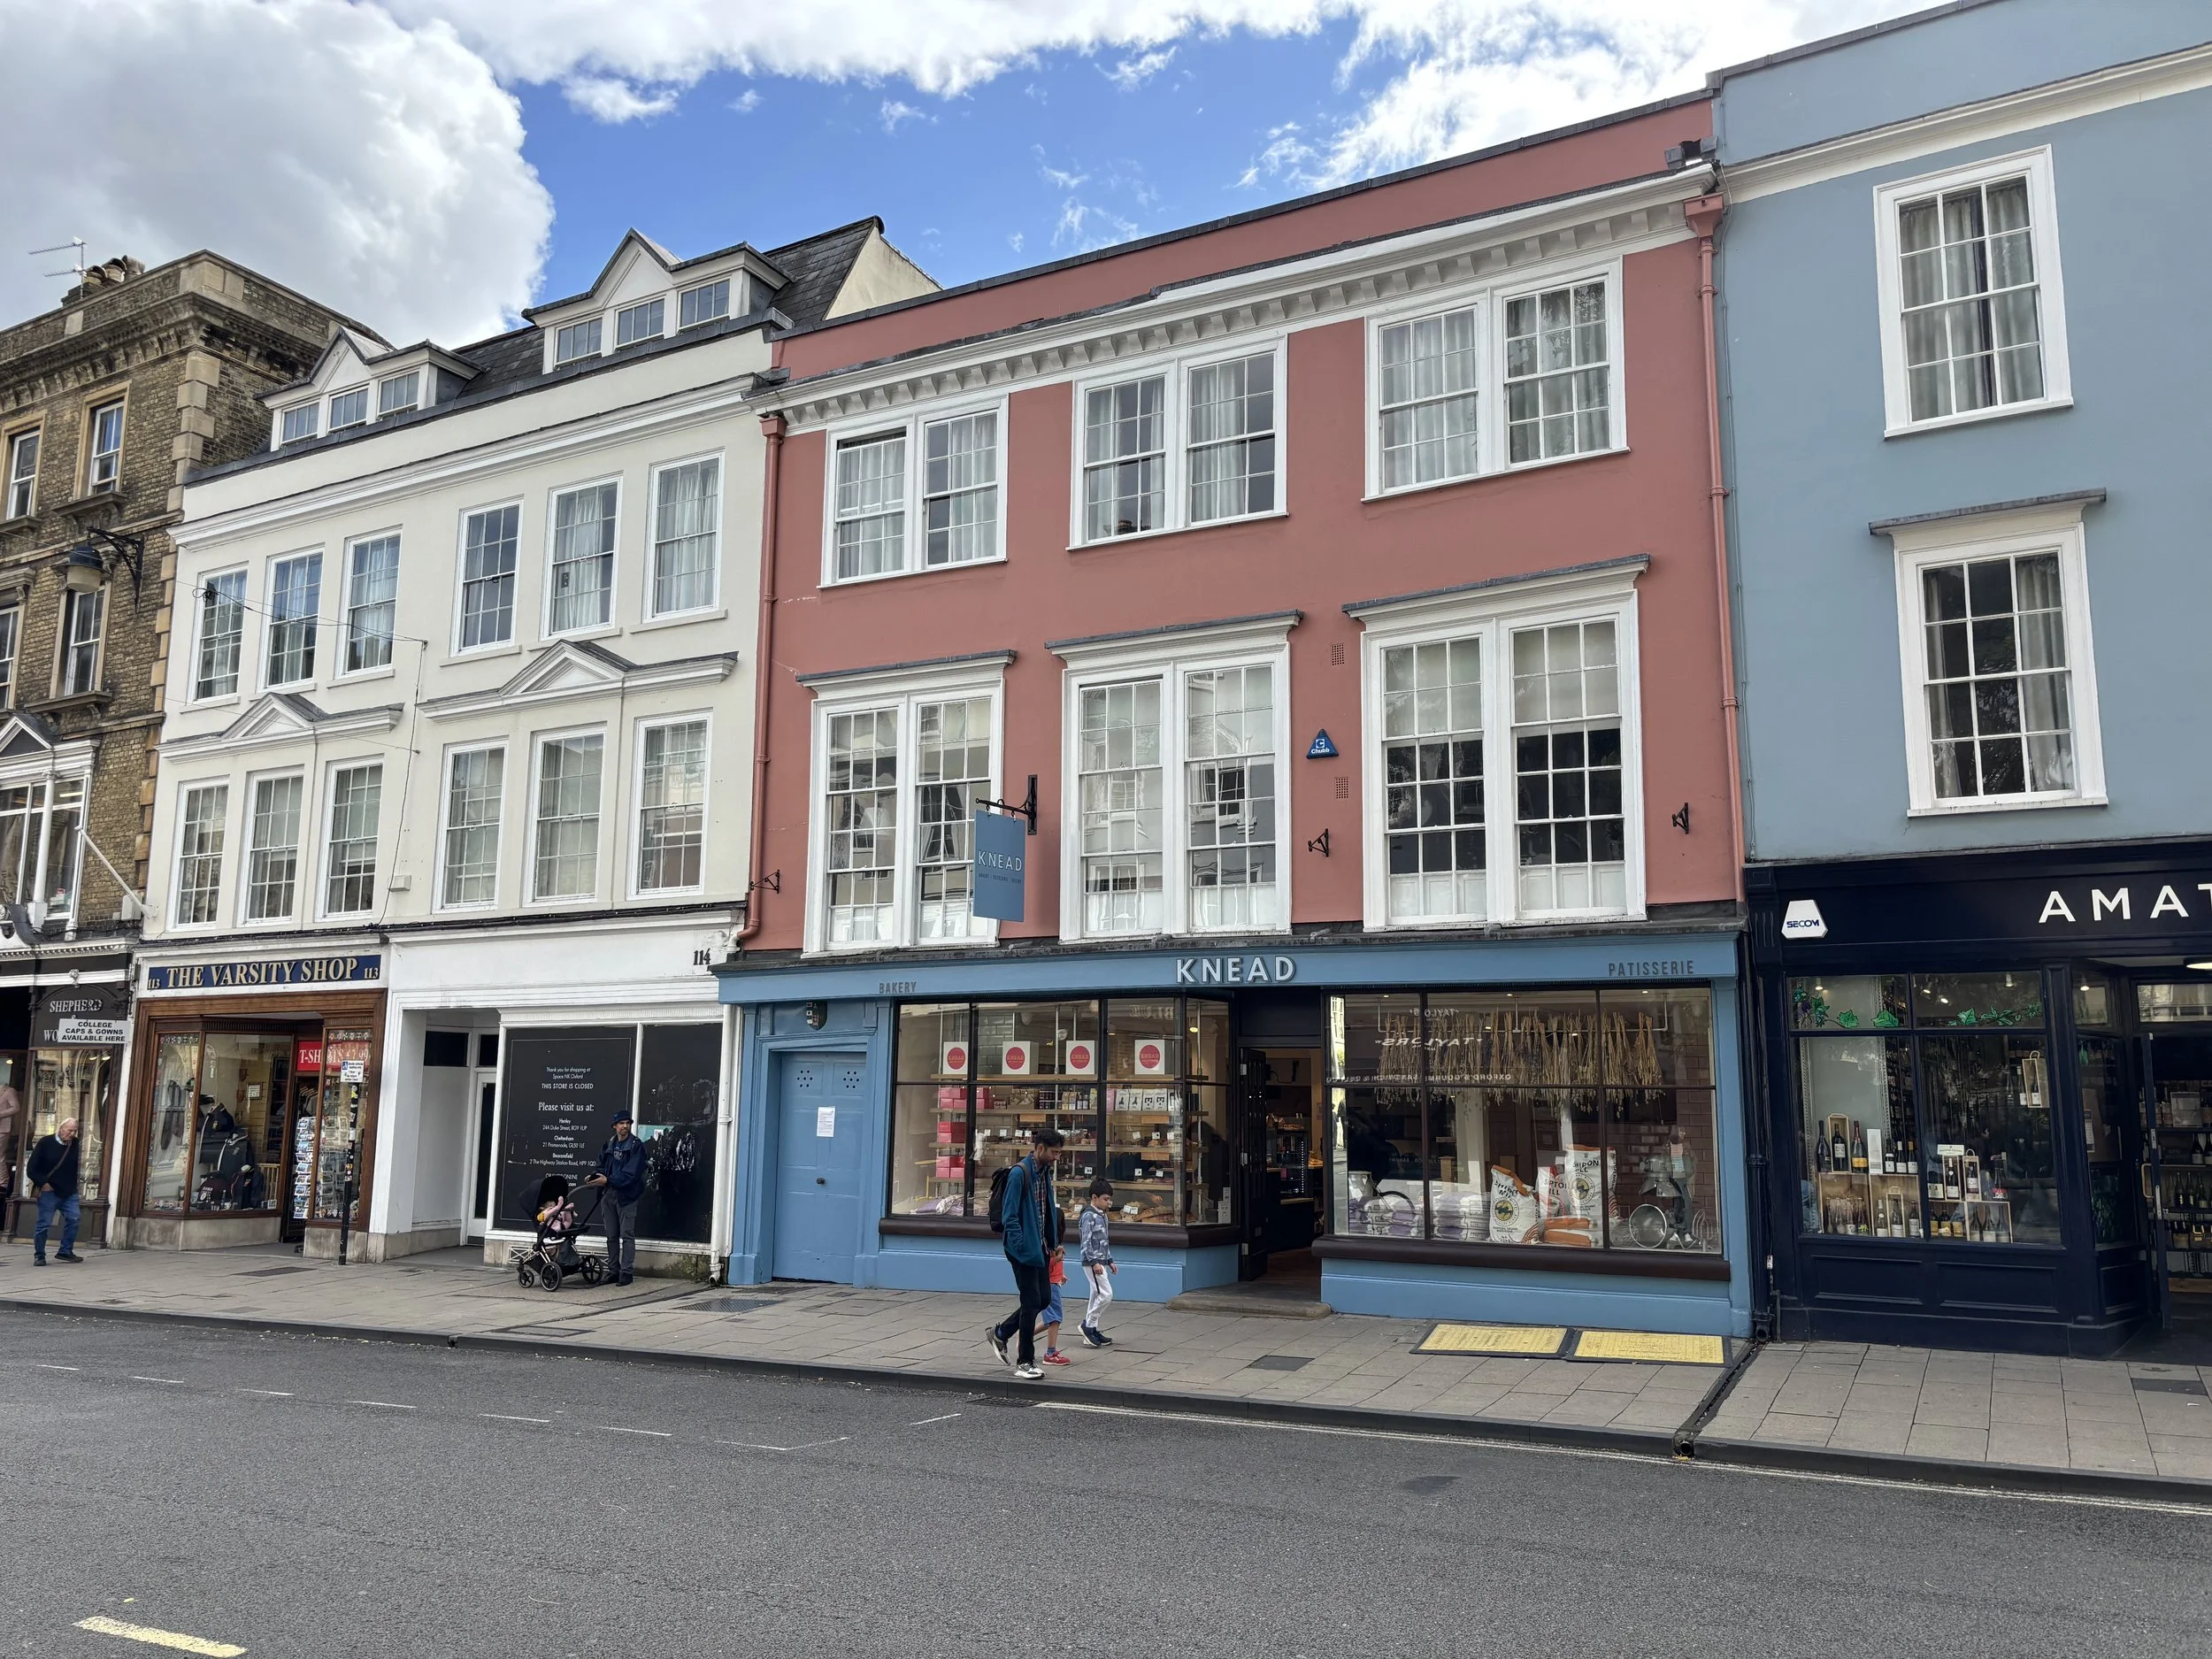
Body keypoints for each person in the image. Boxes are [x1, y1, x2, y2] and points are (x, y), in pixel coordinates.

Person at [987, 1126, 1063, 1380]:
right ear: (1040, 1148)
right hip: (1023, 1250)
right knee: (1031, 1302)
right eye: (1054, 1152)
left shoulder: (1044, 1173)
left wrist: (1053, 1243)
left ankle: (1001, 1333)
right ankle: (1025, 1361)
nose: (1056, 1157)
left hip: (1040, 1248)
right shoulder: (1020, 1174)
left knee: (1043, 1299)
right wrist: (1020, 1248)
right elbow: (1010, 1217)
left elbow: (1046, 1210)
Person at [586, 1114, 647, 1286]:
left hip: (627, 1197)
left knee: (627, 1235)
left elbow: (631, 1173)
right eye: (621, 1123)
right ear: (615, 1126)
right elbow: (600, 1166)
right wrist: (595, 1177)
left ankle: (626, 1273)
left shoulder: (636, 1146)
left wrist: (609, 1180)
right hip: (608, 1195)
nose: (625, 1126)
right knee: (611, 1236)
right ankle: (613, 1271)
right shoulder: (609, 1144)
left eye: (628, 1123)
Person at [27, 1118, 84, 1265]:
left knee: (74, 1218)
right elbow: (31, 1169)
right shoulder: (46, 1143)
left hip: (69, 1191)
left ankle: (65, 1251)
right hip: (49, 1191)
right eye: (69, 1130)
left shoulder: (75, 1143)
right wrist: (43, 1183)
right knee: (43, 1224)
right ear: (60, 1128)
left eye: (74, 1131)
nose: (71, 1134)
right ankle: (39, 1255)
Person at [1079, 1177, 1118, 1348]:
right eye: (1105, 1199)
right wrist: (1094, 1262)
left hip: (1100, 1261)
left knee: (1096, 1294)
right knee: (1106, 1294)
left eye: (1109, 1199)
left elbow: (1104, 1240)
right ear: (1094, 1198)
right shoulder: (1088, 1216)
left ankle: (1092, 1329)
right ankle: (1088, 1325)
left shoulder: (1102, 1215)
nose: (1108, 1203)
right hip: (1092, 1262)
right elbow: (1086, 1242)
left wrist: (1109, 1260)